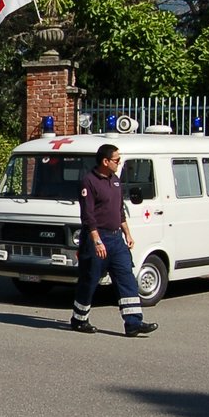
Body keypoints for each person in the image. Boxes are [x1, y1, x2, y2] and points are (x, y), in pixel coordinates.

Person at [72, 143, 158, 337]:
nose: (119, 164)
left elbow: (119, 211)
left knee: (126, 277)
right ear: (105, 161)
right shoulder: (89, 182)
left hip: (116, 239)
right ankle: (79, 319)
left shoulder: (116, 181)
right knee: (90, 280)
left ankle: (133, 323)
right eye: (116, 160)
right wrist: (96, 240)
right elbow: (88, 215)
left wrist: (127, 233)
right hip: (97, 238)